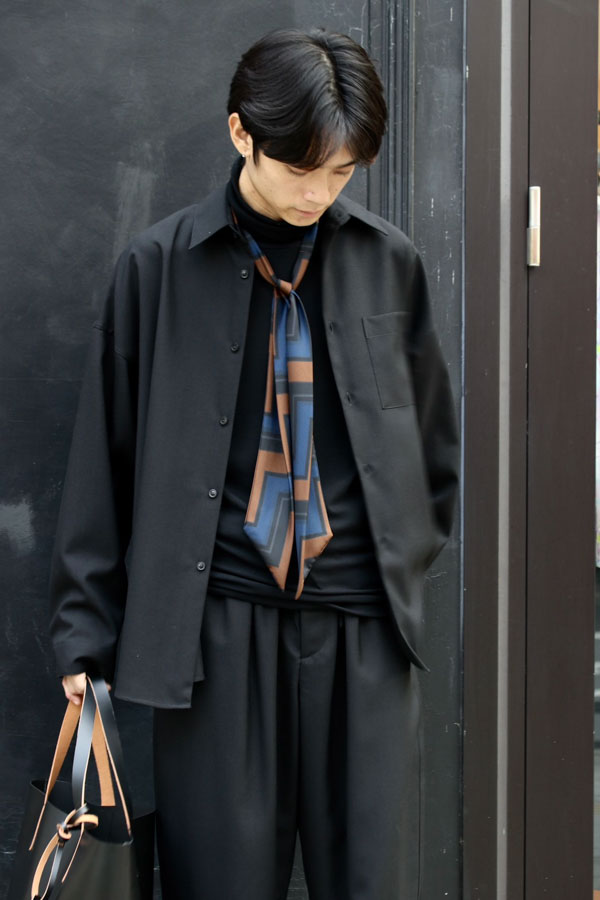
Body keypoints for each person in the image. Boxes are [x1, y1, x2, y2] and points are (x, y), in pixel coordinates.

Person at [50, 27, 459, 900]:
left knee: (374, 880)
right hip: (215, 632)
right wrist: (84, 633)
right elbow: (103, 462)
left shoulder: (390, 263)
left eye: (342, 173)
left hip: (363, 628)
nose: (318, 192)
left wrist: (400, 562)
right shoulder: (156, 270)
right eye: (301, 168)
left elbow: (432, 441)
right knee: (219, 883)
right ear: (242, 133)